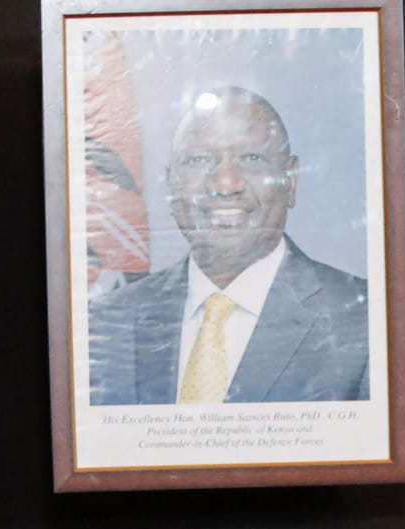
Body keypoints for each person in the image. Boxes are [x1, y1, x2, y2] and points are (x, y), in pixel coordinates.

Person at [88, 86, 370, 406]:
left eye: (251, 158)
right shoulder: (103, 324)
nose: (225, 183)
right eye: (198, 160)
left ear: (290, 181)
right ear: (172, 185)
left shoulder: (366, 322)